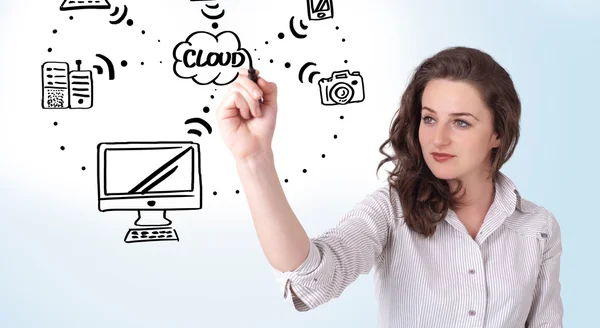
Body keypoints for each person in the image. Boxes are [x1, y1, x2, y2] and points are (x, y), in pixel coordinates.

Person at [216, 46, 563, 327]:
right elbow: (312, 280)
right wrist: (253, 159)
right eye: (429, 118)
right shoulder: (389, 210)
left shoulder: (538, 227)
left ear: (498, 133)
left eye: (460, 122)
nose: (438, 138)